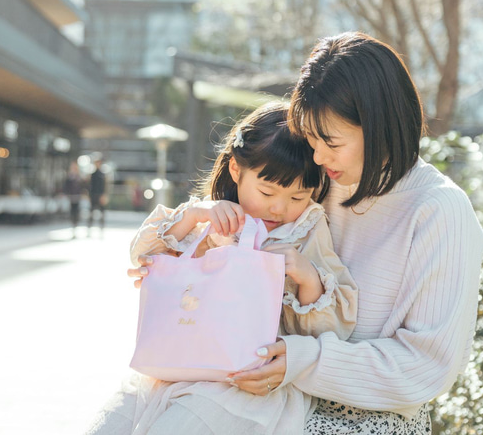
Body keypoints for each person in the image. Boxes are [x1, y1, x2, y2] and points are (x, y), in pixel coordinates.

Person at [224, 32, 483, 433]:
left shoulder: (439, 212)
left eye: (330, 141)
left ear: (379, 124)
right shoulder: (319, 183)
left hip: (369, 419)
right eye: (311, 139)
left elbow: (425, 367)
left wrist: (306, 360)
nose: (317, 156)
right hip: (274, 393)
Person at [84, 102, 358, 435]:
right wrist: (193, 215)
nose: (279, 207)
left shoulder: (306, 227)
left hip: (241, 380)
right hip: (173, 363)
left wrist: (307, 277)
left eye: (298, 197)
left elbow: (329, 331)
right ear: (236, 171)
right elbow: (142, 254)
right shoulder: (211, 218)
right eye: (267, 191)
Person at [62, 161, 84, 238]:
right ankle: (73, 226)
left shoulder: (79, 177)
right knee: (72, 212)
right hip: (71, 197)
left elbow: (83, 186)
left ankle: (75, 225)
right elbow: (66, 186)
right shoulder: (69, 177)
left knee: (76, 212)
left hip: (77, 196)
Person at [88, 158, 106, 232]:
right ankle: (89, 228)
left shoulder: (103, 174)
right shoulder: (92, 174)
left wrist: (104, 195)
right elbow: (90, 186)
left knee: (102, 213)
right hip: (93, 195)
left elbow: (105, 186)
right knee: (91, 213)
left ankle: (101, 228)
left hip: (100, 195)